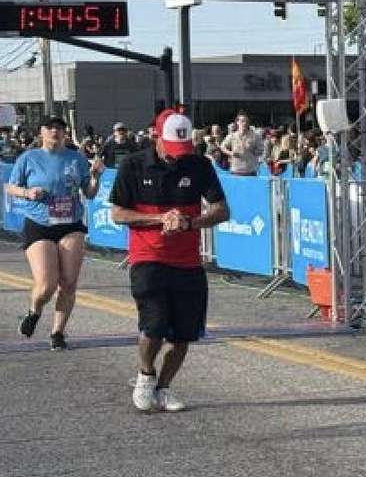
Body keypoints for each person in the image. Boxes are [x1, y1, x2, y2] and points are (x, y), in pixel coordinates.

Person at [109, 110, 230, 412]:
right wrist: (158, 219)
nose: (177, 157)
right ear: (156, 137)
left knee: (184, 334)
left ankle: (163, 388)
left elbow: (222, 211)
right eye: (172, 150)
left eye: (183, 150)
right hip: (148, 256)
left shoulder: (199, 164)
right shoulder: (133, 165)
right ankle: (145, 374)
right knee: (155, 324)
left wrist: (190, 222)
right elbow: (118, 214)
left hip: (187, 260)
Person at [6, 115, 104, 350]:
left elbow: (89, 193)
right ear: (41, 132)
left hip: (70, 223)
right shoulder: (28, 158)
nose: (55, 132)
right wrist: (27, 193)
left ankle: (57, 332)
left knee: (68, 283)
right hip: (39, 224)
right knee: (47, 285)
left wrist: (95, 176)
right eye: (50, 128)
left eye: (59, 129)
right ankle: (34, 310)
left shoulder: (76, 158)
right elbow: (9, 187)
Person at [219, 111, 264, 176]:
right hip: (235, 170)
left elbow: (261, 149)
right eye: (242, 121)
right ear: (237, 122)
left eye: (246, 121)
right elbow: (222, 147)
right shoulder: (232, 136)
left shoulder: (255, 136)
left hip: (250, 171)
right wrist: (230, 153)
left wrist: (256, 151)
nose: (245, 123)